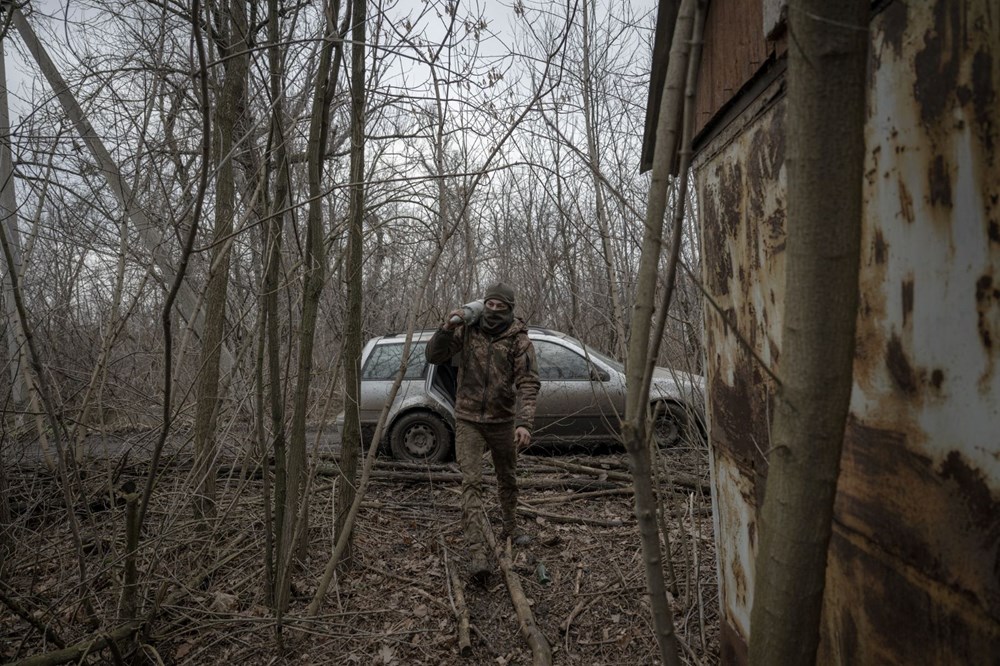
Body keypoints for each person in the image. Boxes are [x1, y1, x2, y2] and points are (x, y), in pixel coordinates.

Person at [425, 282, 540, 582]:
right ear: (483, 304)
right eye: (489, 305)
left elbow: (528, 383)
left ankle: (511, 527)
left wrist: (524, 423)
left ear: (509, 309)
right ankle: (477, 552)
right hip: (468, 420)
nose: (493, 311)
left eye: (500, 307)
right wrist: (447, 327)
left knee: (508, 478)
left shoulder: (519, 340)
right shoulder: (469, 330)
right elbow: (434, 356)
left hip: (502, 421)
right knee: (471, 484)